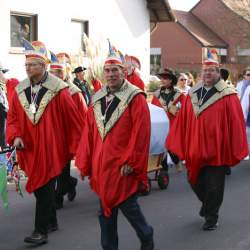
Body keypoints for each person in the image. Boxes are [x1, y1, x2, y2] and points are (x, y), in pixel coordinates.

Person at [76, 50, 154, 250]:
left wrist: (132, 161)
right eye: (107, 70)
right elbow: (89, 132)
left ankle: (146, 234)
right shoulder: (97, 97)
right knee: (106, 210)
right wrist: (85, 162)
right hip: (103, 166)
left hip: (122, 166)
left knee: (129, 207)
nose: (110, 74)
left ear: (124, 71)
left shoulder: (136, 98)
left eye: (115, 70)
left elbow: (141, 134)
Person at [7, 40, 82, 245]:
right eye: (26, 65)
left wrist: (77, 148)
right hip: (29, 148)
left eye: (32, 64)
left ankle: (40, 231)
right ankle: (52, 220)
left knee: (45, 185)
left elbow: (73, 120)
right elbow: (13, 118)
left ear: (44, 65)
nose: (28, 68)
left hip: (51, 147)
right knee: (42, 188)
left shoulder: (59, 89)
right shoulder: (20, 89)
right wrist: (15, 136)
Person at [166, 59, 248, 231]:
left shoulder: (228, 94)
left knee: (215, 185)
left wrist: (231, 145)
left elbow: (235, 122)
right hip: (196, 147)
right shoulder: (192, 93)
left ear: (218, 73)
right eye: (205, 70)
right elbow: (185, 120)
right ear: (200, 73)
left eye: (211, 70)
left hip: (218, 148)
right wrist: (182, 143)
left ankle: (211, 216)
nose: (208, 73)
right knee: (194, 180)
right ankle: (208, 205)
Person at [49, 53, 88, 209]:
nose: (52, 76)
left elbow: (83, 116)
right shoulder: (48, 89)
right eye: (50, 73)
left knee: (62, 168)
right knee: (56, 168)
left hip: (67, 137)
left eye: (55, 73)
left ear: (62, 74)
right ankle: (70, 183)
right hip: (52, 135)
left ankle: (58, 197)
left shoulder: (74, 92)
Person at [151, 68, 185, 172]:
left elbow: (185, 109)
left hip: (173, 124)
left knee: (170, 146)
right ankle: (163, 171)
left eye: (165, 78)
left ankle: (176, 160)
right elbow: (153, 109)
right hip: (161, 125)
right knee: (162, 146)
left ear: (171, 80)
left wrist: (174, 109)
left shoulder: (179, 94)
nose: (162, 80)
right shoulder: (156, 94)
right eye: (161, 78)